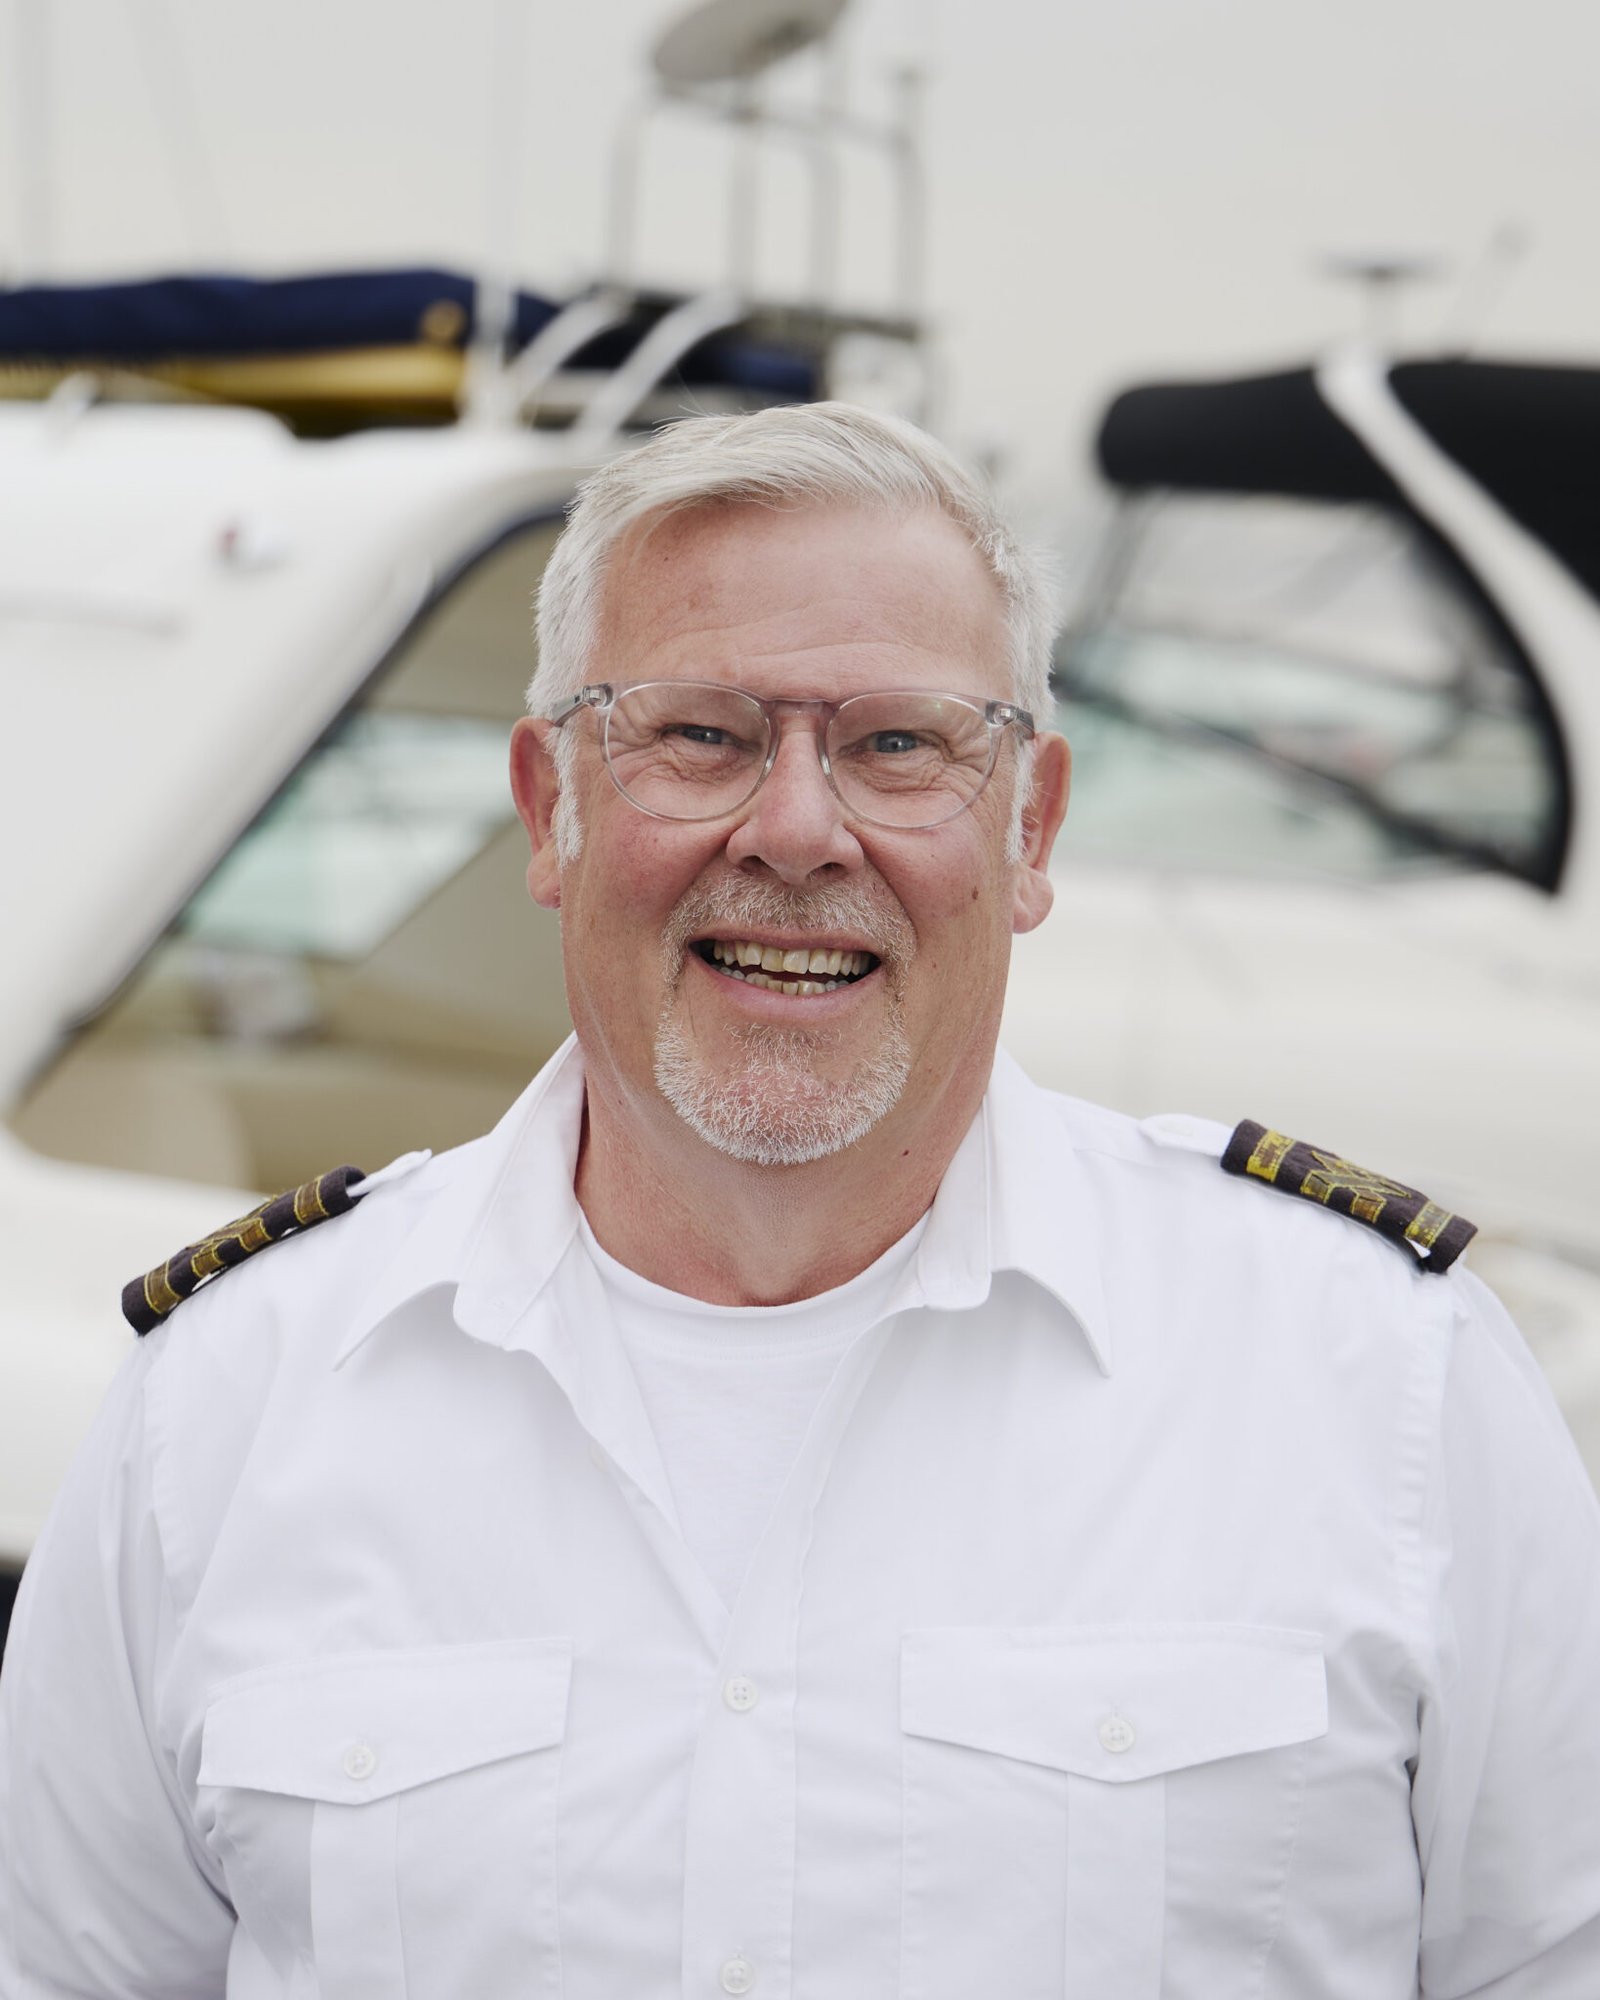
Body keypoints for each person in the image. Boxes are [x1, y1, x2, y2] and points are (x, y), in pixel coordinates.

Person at [3, 403, 1598, 2000]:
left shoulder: (1384, 1384)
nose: (794, 831)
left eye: (899, 744)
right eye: (700, 734)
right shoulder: (219, 1413)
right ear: (548, 807)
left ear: (1032, 826)